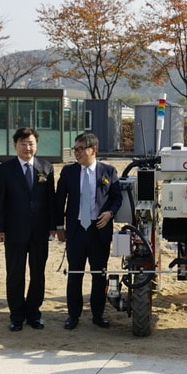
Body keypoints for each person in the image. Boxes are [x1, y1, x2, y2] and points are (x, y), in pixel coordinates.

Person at [55, 132, 122, 329]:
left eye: (80, 149)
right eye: (74, 149)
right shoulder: (69, 172)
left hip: (99, 230)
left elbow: (117, 198)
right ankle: (73, 316)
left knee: (99, 274)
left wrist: (110, 213)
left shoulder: (108, 172)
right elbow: (59, 200)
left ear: (93, 150)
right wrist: (59, 226)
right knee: (75, 274)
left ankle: (97, 315)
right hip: (75, 231)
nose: (76, 153)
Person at [0, 127, 56, 331]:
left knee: (37, 273)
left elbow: (51, 199)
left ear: (36, 145)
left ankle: (34, 313)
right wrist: (0, 228)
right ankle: (16, 315)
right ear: (15, 146)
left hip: (39, 231)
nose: (27, 147)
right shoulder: (5, 170)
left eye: (31, 143)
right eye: (23, 144)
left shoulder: (46, 167)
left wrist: (53, 226)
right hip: (14, 231)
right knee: (15, 274)